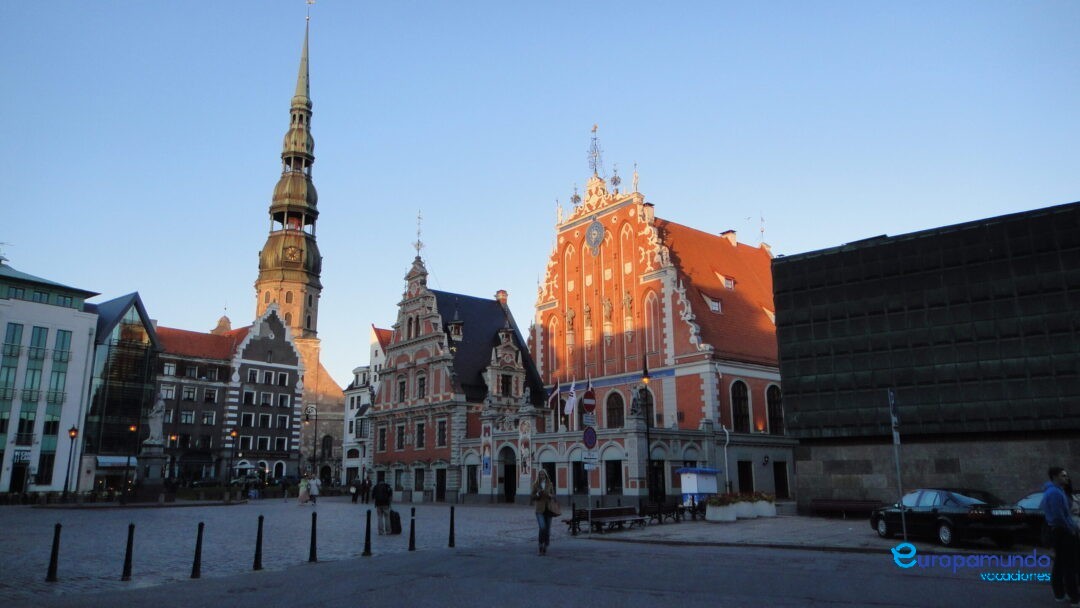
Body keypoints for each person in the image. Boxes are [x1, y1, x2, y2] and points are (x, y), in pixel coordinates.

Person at [1042, 466, 1079, 604]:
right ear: (1055, 477)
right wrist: (1071, 529)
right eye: (1063, 475)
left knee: (1061, 563)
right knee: (1069, 565)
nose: (1066, 477)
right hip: (1062, 532)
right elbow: (1059, 516)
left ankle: (1061, 594)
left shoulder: (1058, 491)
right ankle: (1073, 597)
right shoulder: (1054, 493)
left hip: (1061, 531)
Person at [531, 469, 557, 555]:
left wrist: (551, 495)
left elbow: (554, 496)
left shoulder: (550, 484)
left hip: (548, 509)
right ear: (538, 476)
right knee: (542, 527)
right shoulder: (535, 485)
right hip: (539, 509)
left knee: (547, 529)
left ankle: (545, 545)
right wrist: (537, 494)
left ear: (546, 475)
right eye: (540, 475)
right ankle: (540, 545)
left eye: (543, 474)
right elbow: (532, 497)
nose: (542, 476)